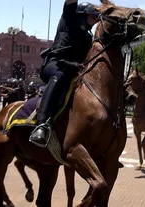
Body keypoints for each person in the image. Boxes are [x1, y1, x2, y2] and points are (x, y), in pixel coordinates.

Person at [29, 0, 100, 147]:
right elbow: (70, 3)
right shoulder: (68, 19)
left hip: (74, 71)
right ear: (82, 14)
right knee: (59, 76)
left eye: (96, 18)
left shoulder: (88, 38)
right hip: (54, 65)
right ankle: (41, 125)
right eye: (93, 17)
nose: (95, 21)